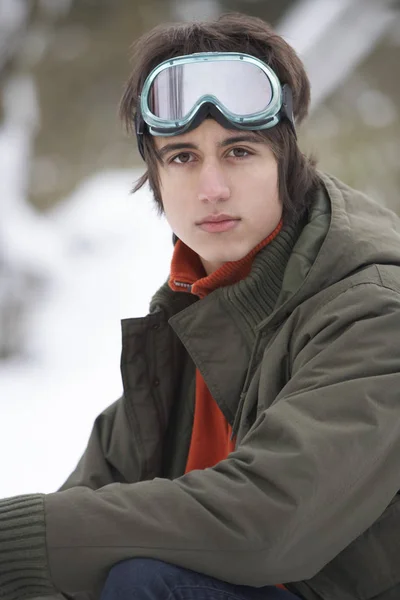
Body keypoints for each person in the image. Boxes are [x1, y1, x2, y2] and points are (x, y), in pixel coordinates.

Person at [1, 11, 400, 600]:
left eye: (238, 152)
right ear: (155, 177)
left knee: (144, 582)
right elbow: (84, 517)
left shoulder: (374, 313)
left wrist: (18, 540)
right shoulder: (189, 321)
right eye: (182, 157)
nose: (211, 187)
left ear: (285, 160)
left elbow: (267, 524)